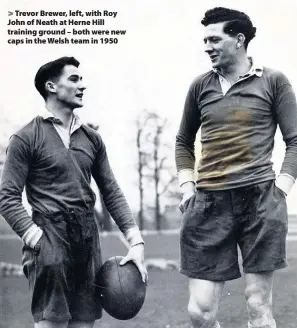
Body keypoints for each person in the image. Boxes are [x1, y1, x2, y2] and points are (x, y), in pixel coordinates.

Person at [0, 56, 148, 328]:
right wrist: (37, 240)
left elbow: (111, 192)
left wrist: (136, 242)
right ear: (51, 86)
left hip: (87, 239)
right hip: (49, 238)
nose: (83, 86)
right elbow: (7, 198)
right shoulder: (26, 138)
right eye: (74, 79)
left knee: (83, 325)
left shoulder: (91, 138)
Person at [175, 7, 297, 328]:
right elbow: (183, 141)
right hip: (210, 204)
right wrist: (187, 186)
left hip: (259, 202)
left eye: (214, 39)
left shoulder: (273, 81)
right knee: (200, 312)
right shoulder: (200, 86)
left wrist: (280, 189)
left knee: (258, 306)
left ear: (239, 40)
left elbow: (295, 140)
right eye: (205, 40)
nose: (207, 46)